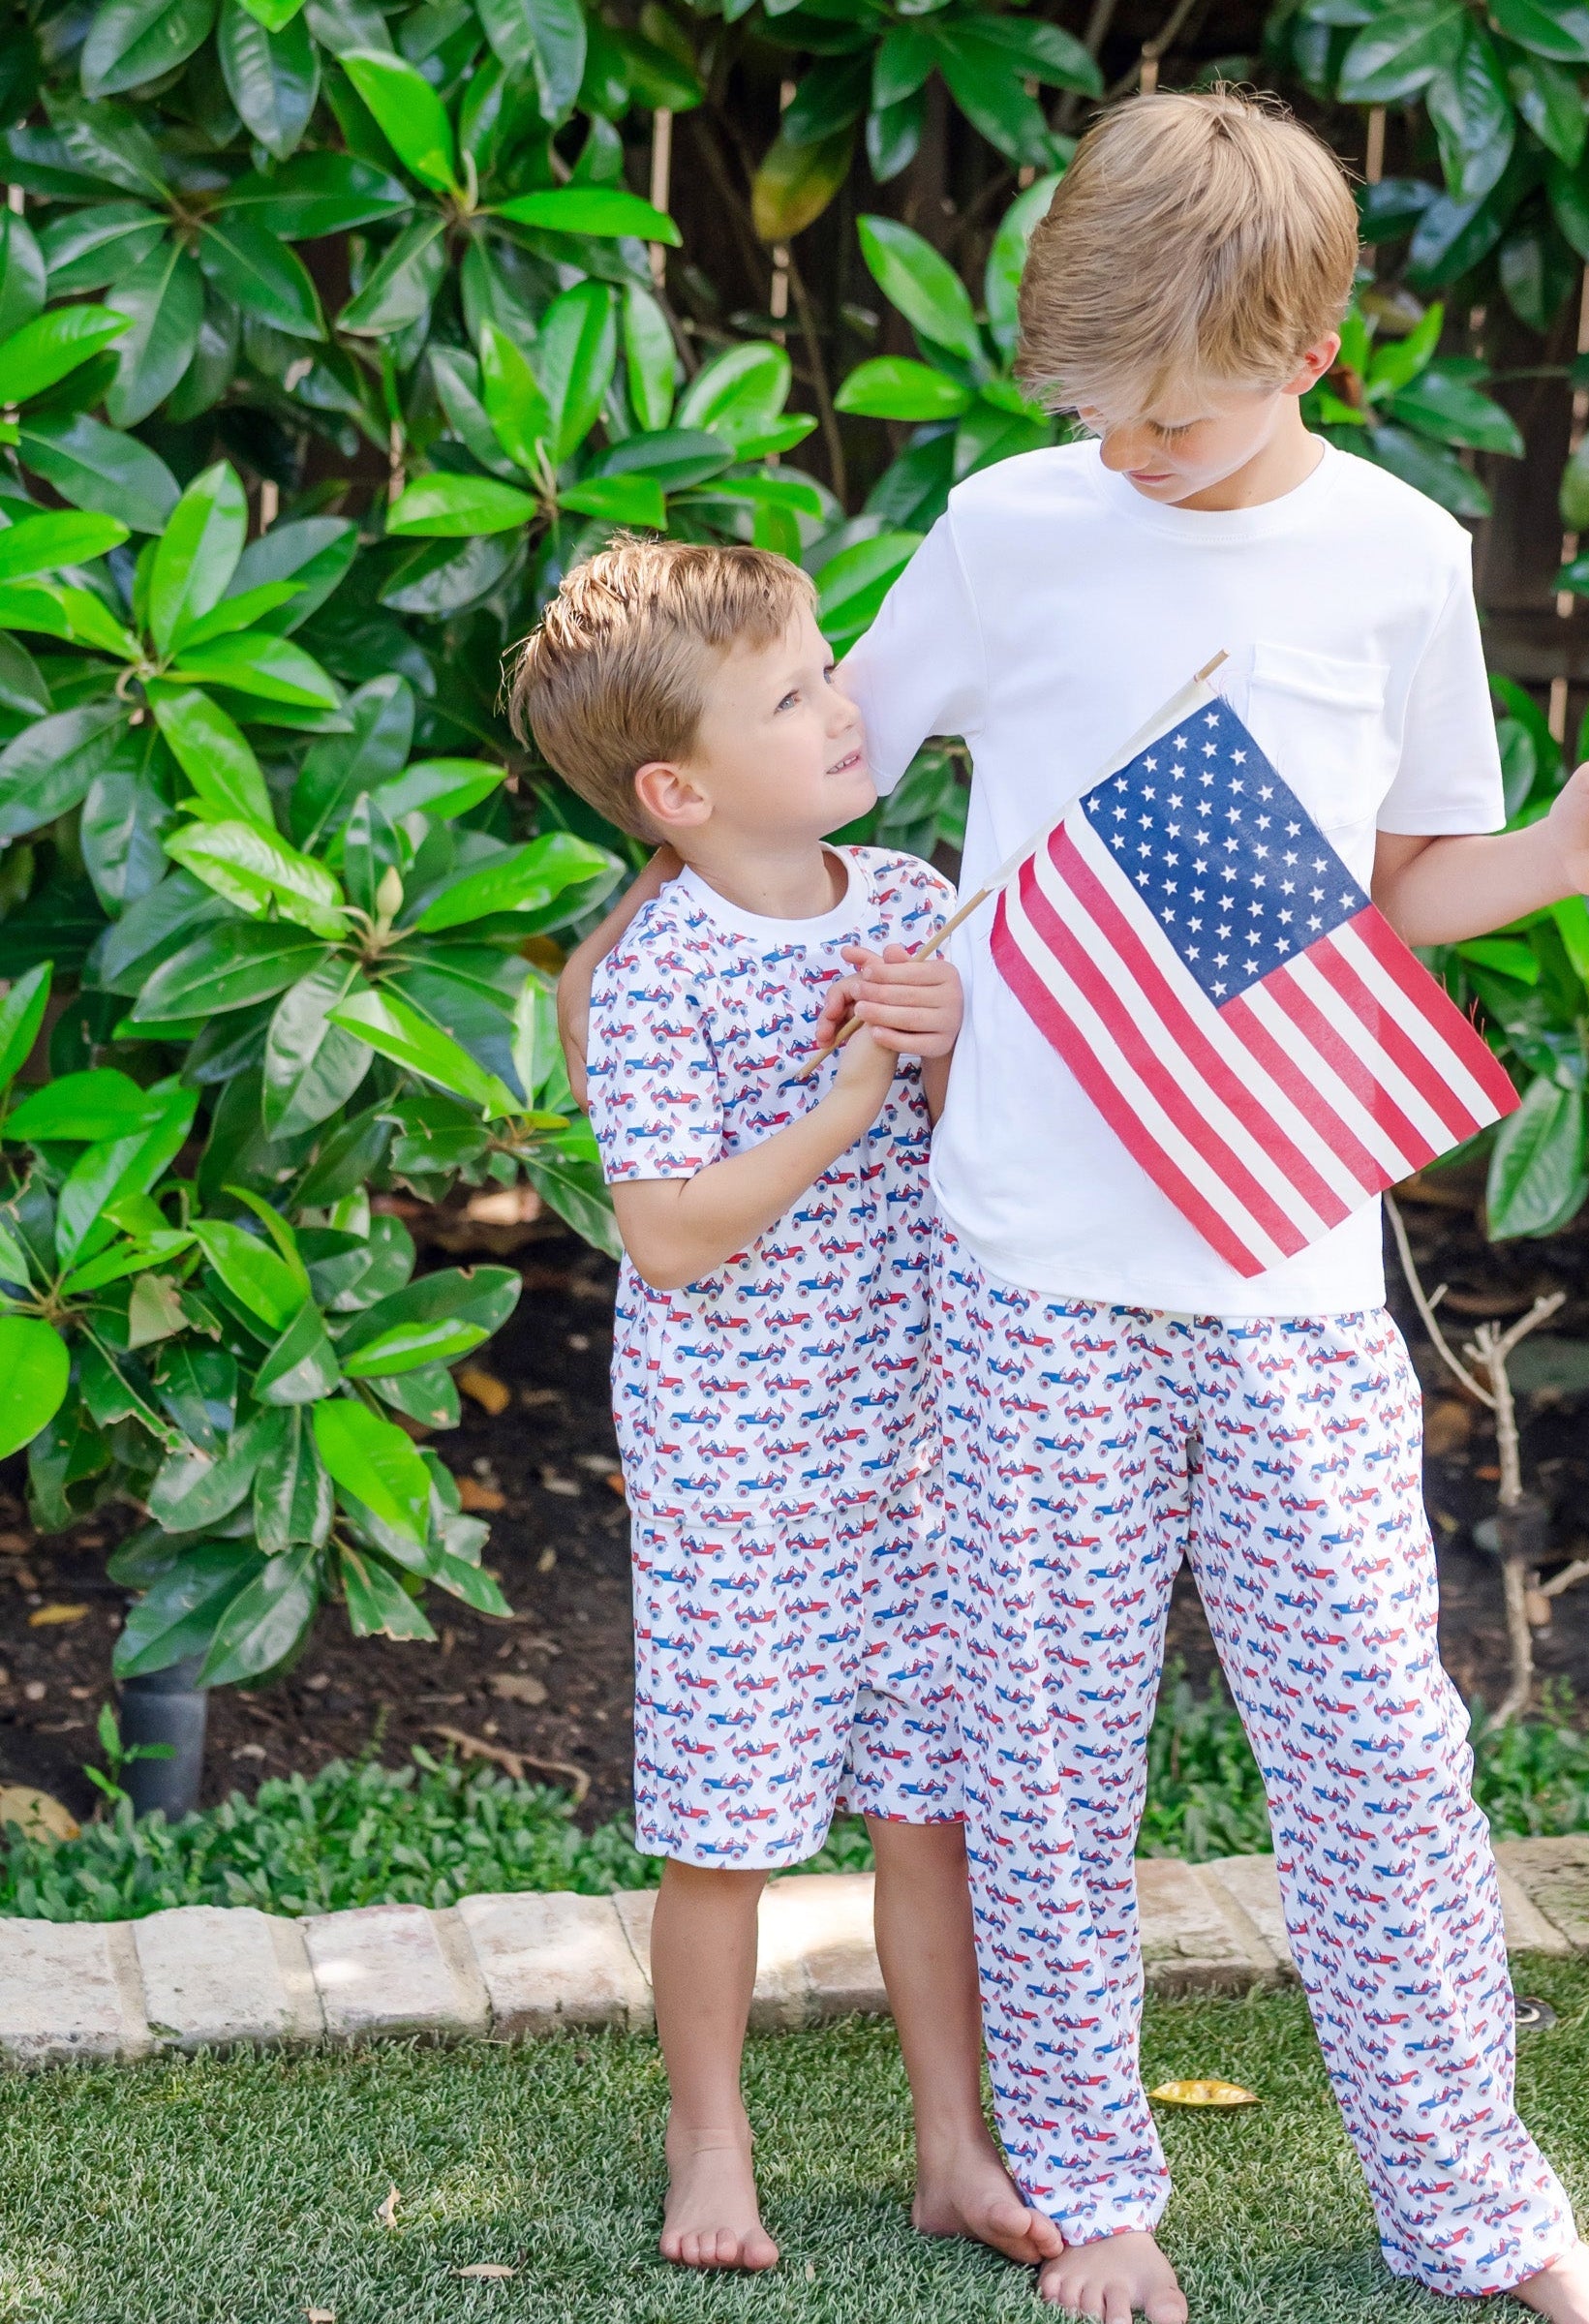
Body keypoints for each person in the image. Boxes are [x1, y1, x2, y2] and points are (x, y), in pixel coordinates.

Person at [561, 92, 1589, 2324]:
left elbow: (1393, 889)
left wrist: (1561, 856)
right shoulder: (1013, 528)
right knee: (1046, 1770)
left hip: (1287, 1262)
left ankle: (1485, 2218)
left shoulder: (1397, 558)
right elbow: (799, 769)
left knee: (1382, 1759)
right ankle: (1092, 2191)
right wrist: (640, 935)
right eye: (1098, 407)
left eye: (1175, 415)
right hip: (1026, 1276)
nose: (1132, 448)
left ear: (1311, 353)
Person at [511, 540, 1063, 2278]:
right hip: (742, 1472)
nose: (843, 707)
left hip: (920, 1446)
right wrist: (849, 1092)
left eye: (826, 670)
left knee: (930, 1811)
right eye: (792, 696)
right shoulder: (656, 975)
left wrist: (951, 1043)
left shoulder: (908, 897)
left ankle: (954, 2148)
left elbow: (979, 1137)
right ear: (677, 793)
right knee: (725, 1832)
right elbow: (671, 1235)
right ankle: (711, 2148)